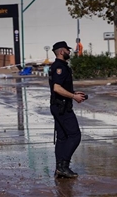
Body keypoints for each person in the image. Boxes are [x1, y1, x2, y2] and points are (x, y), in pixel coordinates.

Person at [48, 41, 86, 178]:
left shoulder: (57, 66)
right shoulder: (60, 67)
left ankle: (60, 168)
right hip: (62, 107)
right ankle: (63, 166)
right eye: (68, 50)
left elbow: (60, 87)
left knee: (62, 138)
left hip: (58, 105)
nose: (70, 52)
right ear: (62, 51)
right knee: (75, 135)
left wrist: (74, 92)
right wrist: (73, 96)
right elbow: (57, 88)